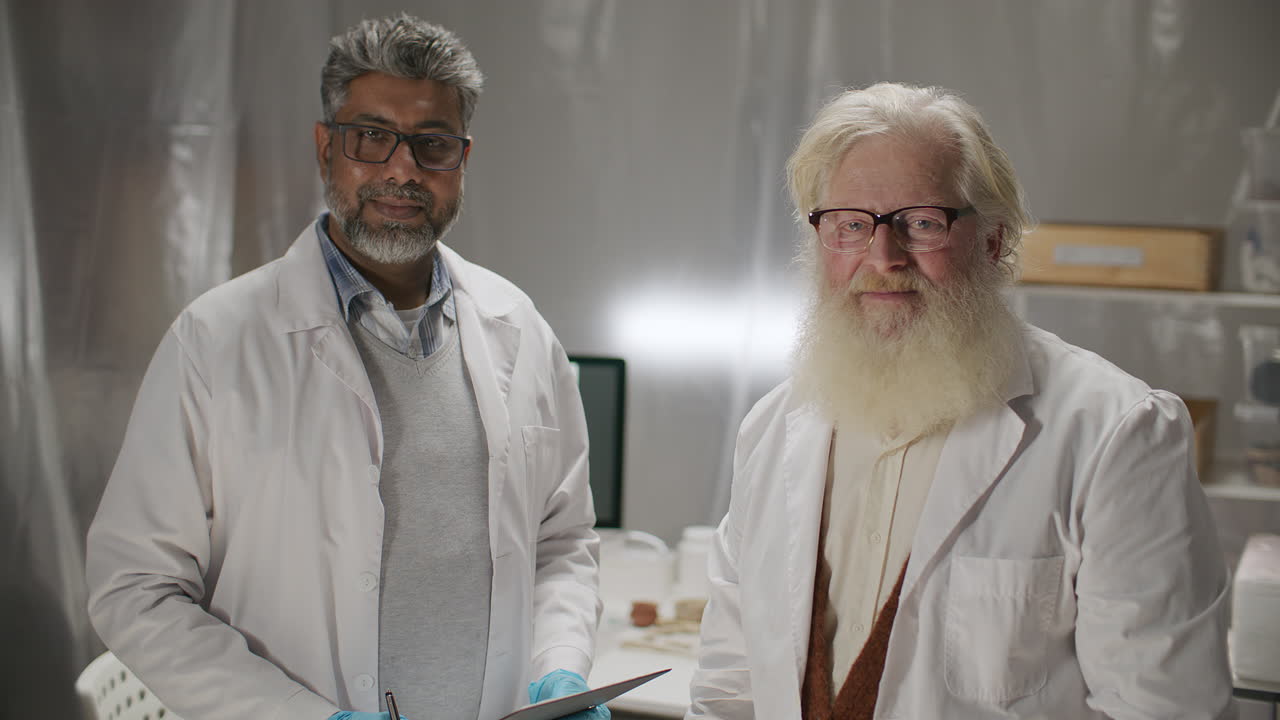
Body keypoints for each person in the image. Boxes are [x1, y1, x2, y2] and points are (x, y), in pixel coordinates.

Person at [86, 14, 607, 720]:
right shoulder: (216, 342)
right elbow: (135, 589)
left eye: (433, 144)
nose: (402, 169)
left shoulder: (519, 327)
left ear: (463, 159)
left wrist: (560, 670)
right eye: (371, 137)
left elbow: (563, 541)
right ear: (326, 148)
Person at [686, 82, 1233, 719]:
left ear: (995, 241)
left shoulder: (1115, 434)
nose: (883, 257)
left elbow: (1167, 711)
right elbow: (731, 686)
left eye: (921, 223)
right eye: (850, 226)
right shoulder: (775, 428)